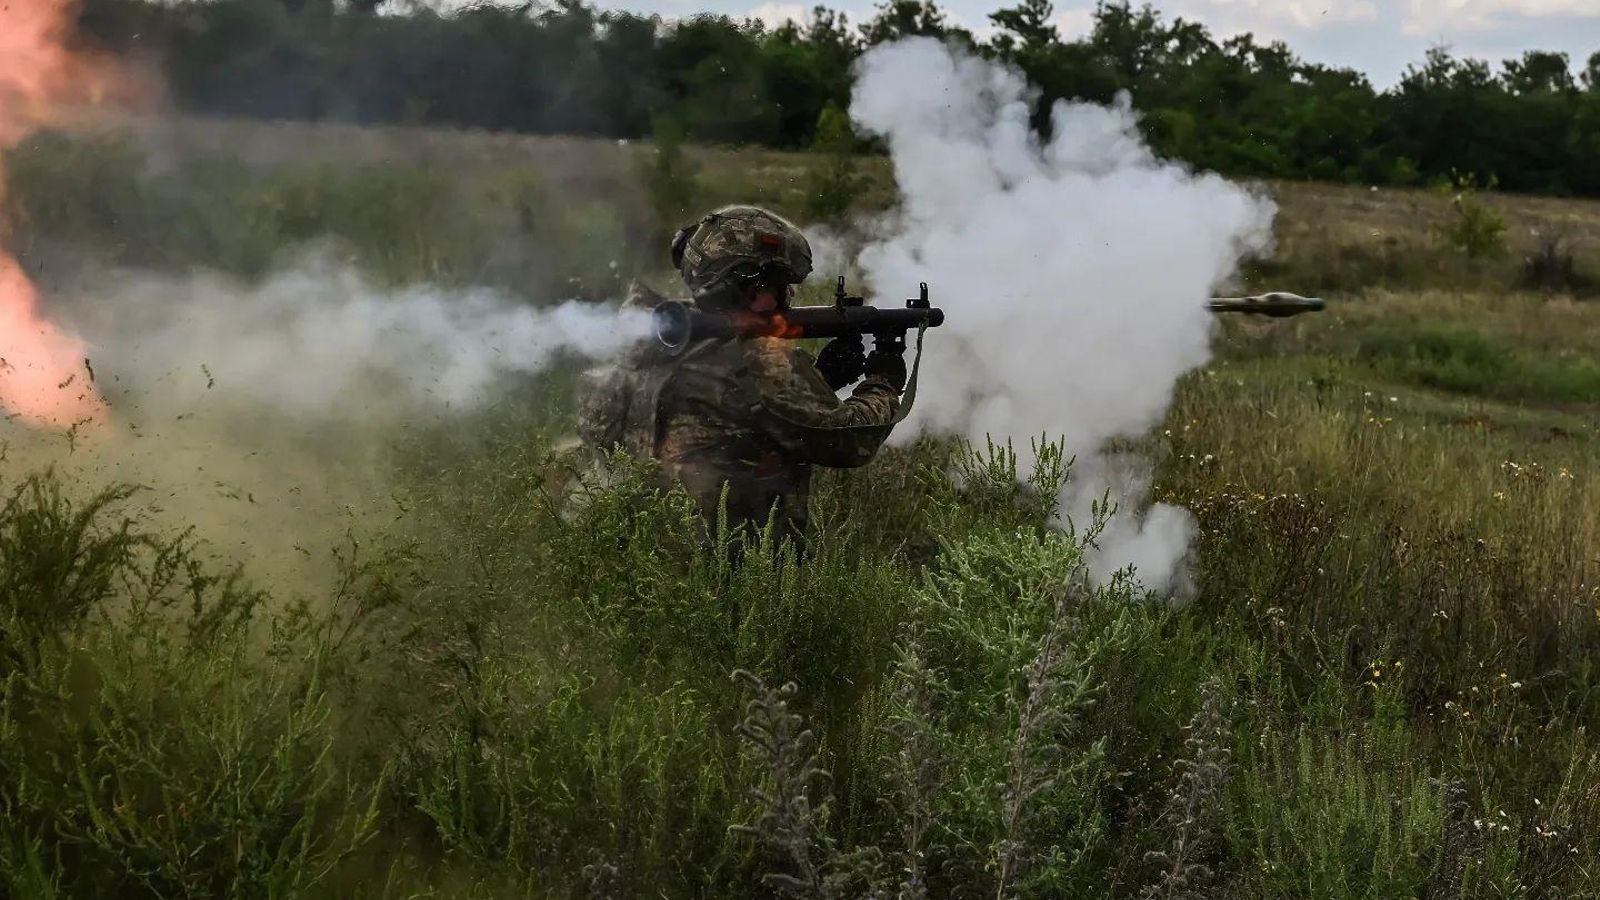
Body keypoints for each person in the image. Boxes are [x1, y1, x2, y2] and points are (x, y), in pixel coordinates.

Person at [576, 205, 906, 549]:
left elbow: (734, 415)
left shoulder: (652, 345)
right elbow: (848, 441)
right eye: (778, 285)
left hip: (641, 556)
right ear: (747, 288)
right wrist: (883, 381)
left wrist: (821, 378)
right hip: (729, 564)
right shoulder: (758, 362)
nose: (787, 297)